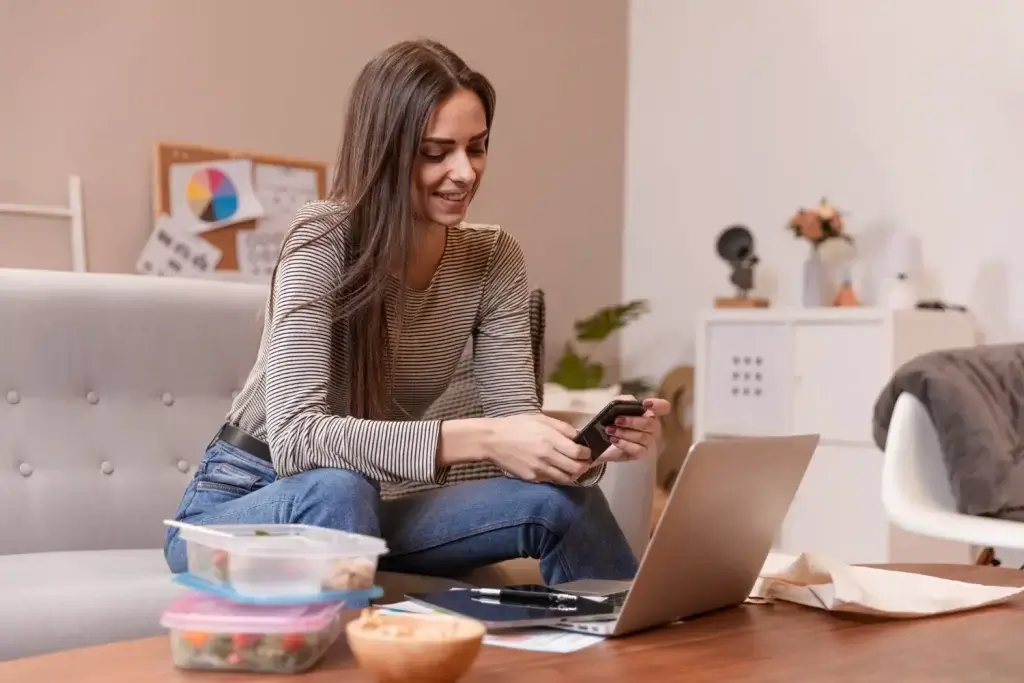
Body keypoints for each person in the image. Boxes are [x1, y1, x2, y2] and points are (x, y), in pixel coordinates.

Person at [163, 38, 671, 585]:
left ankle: (642, 658)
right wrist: (486, 437)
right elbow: (298, 440)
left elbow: (514, 433)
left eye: (476, 147)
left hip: (365, 510)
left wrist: (584, 452)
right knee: (338, 485)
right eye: (436, 152)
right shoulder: (322, 239)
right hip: (247, 504)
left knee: (558, 506)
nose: (465, 172)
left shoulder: (494, 256)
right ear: (385, 151)